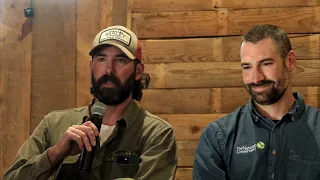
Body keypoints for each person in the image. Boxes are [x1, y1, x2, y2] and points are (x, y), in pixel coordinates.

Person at [4, 25, 177, 180]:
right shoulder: (54, 124)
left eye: (120, 60)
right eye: (101, 59)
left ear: (138, 71)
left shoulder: (156, 134)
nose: (109, 70)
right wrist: (55, 154)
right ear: (91, 66)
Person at [193, 24, 320, 180]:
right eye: (247, 67)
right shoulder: (218, 136)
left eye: (266, 64)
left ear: (290, 62)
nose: (256, 78)